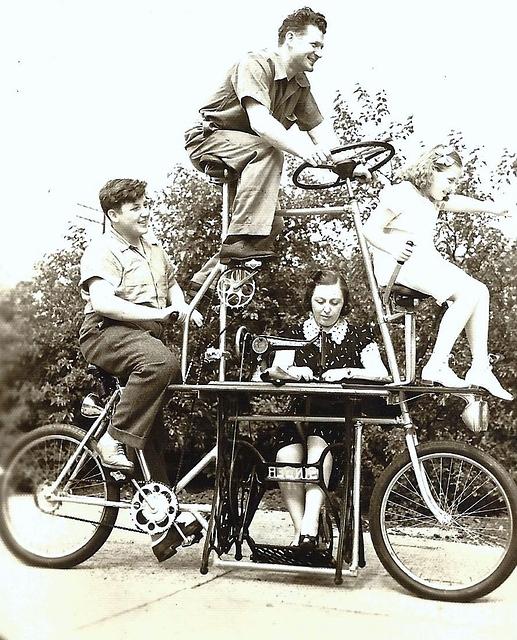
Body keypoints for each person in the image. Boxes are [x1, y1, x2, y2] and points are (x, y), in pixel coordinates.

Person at [184, 7, 368, 293]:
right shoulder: (256, 63)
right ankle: (238, 242)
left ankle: (203, 282)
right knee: (270, 152)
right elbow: (261, 123)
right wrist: (306, 153)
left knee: (272, 222)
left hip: (249, 152)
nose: (319, 52)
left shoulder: (300, 85)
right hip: (210, 138)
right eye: (314, 44)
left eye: (322, 46)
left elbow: (322, 135)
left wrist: (351, 164)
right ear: (291, 38)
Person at [79, 178, 204, 562]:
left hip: (141, 337)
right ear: (113, 215)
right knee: (161, 362)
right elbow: (103, 303)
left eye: (144, 204)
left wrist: (184, 307)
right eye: (135, 207)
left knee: (152, 431)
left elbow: (174, 287)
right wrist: (157, 314)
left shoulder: (154, 250)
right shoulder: (102, 249)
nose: (144, 211)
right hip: (106, 332)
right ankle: (111, 438)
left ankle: (162, 524)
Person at [362, 144, 513, 401]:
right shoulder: (402, 193)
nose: (452, 187)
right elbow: (370, 229)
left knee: (480, 291)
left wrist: (493, 208)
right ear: (431, 170)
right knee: (466, 293)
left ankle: (479, 368)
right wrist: (393, 247)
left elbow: (460, 203)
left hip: (422, 261)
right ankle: (437, 364)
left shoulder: (431, 199)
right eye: (450, 179)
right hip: (398, 264)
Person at [268, 269, 389, 548]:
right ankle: (303, 535)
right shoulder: (294, 334)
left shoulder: (358, 336)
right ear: (309, 299)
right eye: (320, 301)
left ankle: (310, 525)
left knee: (317, 447)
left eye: (334, 302)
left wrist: (347, 371)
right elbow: (276, 370)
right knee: (285, 457)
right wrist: (293, 372)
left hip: (337, 417)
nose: (326, 309)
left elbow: (381, 374)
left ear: (344, 303)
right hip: (298, 414)